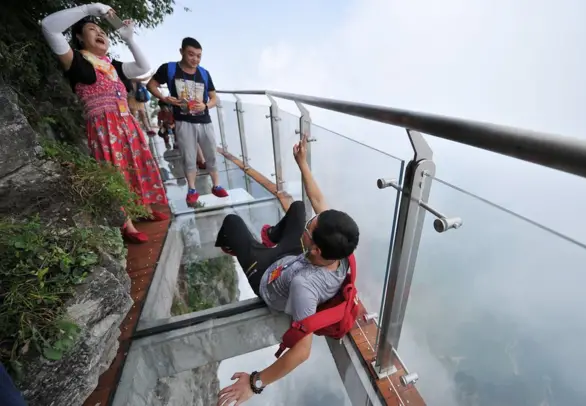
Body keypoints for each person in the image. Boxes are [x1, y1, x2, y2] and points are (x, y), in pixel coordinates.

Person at [214, 135, 360, 405]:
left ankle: (236, 248)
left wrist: (255, 383)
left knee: (232, 223)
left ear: (316, 248)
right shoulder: (341, 250)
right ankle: (270, 236)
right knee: (298, 207)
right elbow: (316, 199)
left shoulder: (304, 288)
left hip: (268, 277)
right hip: (295, 258)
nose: (311, 223)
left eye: (310, 229)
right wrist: (302, 162)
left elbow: (302, 351)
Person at [41, 3, 168, 244]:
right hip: (103, 128)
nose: (100, 33)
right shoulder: (76, 62)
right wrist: (89, 9)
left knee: (137, 166)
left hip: (127, 124)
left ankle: (143, 209)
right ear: (79, 37)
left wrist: (129, 39)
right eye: (91, 29)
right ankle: (126, 223)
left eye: (103, 31)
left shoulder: (113, 66)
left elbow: (143, 67)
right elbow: (48, 27)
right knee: (115, 173)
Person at [147, 37, 228, 206]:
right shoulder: (169, 69)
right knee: (188, 156)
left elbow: (214, 97)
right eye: (191, 54)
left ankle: (216, 185)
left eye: (199, 56)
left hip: (205, 120)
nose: (195, 59)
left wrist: (205, 105)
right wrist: (164, 98)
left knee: (211, 153)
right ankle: (192, 189)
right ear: (181, 52)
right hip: (183, 121)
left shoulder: (204, 73)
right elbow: (151, 85)